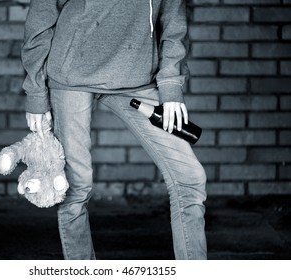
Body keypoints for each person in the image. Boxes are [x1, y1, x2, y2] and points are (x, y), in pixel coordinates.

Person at [21, 0, 207, 260]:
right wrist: (36, 92)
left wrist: (170, 84)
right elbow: (42, 12)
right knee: (76, 187)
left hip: (138, 77)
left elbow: (173, 22)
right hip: (72, 75)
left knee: (189, 178)